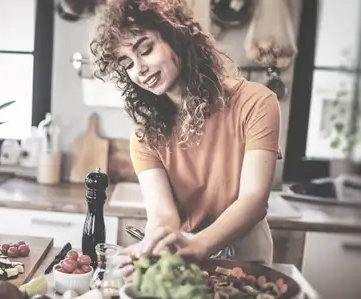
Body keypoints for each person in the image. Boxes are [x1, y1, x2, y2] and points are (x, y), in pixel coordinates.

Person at [89, 0, 281, 266]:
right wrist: (151, 247)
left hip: (247, 251)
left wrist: (199, 244)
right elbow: (162, 215)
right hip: (183, 249)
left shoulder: (256, 102)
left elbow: (254, 199)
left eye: (145, 50)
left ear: (177, 37)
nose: (139, 69)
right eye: (128, 64)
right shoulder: (145, 135)